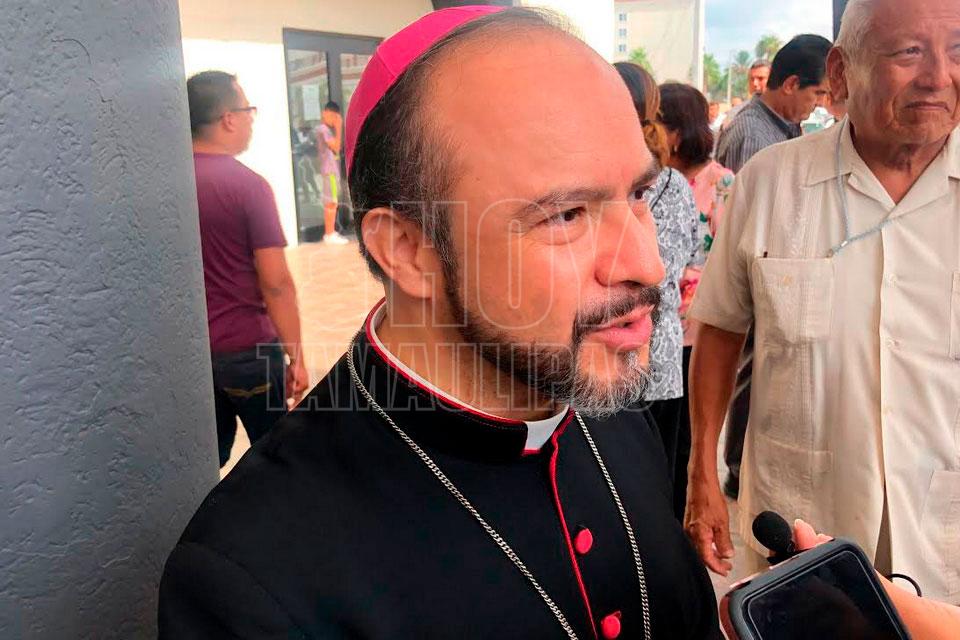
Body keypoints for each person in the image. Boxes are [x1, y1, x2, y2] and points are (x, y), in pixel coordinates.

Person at [160, 7, 721, 639]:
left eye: (638, 195)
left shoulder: (607, 403)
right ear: (408, 250)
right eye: (566, 215)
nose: (648, 265)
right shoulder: (252, 578)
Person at [685, 0, 960, 605]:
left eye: (958, 50)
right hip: (803, 528)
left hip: (946, 542)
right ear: (840, 72)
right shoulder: (770, 183)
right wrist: (701, 470)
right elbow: (721, 329)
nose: (938, 76)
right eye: (910, 52)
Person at [187, 71, 309, 468]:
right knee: (275, 458)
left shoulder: (169, 184)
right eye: (248, 110)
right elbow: (276, 284)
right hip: (248, 351)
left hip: (192, 353)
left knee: (207, 460)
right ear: (228, 119)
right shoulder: (248, 186)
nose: (251, 120)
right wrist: (296, 356)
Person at [614, 61, 703, 522]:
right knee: (662, 475)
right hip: (663, 351)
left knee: (613, 476)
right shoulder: (675, 184)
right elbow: (692, 254)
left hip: (608, 346)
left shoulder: (603, 181)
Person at [717, 38, 831, 173]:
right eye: (818, 93)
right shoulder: (753, 137)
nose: (820, 103)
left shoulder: (786, 126)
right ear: (791, 85)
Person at [316, 101, 349, 245]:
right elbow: (336, 147)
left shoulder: (324, 130)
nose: (334, 119)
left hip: (331, 171)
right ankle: (329, 234)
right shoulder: (323, 129)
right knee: (331, 202)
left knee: (332, 201)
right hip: (329, 171)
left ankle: (330, 232)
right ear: (325, 113)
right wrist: (339, 127)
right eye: (333, 116)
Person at [719, 60, 771, 134]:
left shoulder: (782, 111)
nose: (755, 83)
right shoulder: (736, 113)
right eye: (752, 79)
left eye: (760, 79)